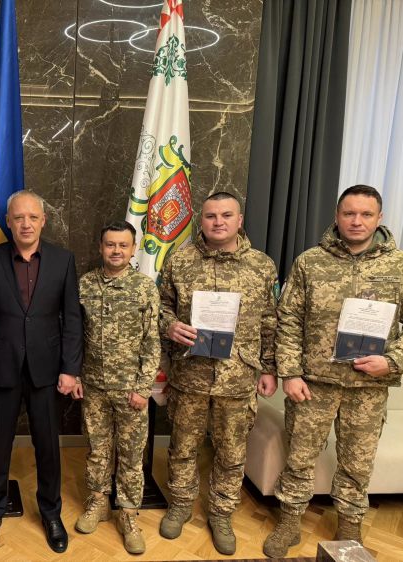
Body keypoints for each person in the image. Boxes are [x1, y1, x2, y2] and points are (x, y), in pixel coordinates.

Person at [263, 185, 403, 558]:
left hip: (368, 385)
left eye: (365, 214)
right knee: (299, 456)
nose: (356, 221)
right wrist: (291, 373)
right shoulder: (310, 262)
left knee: (357, 463)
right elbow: (288, 319)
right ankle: (289, 521)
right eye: (349, 213)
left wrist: (392, 361)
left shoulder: (401, 266)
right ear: (337, 216)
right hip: (314, 383)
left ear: (379, 218)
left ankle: (349, 526)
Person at [159, 191, 278, 556]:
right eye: (211, 216)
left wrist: (269, 368)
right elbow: (160, 307)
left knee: (231, 452)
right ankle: (181, 503)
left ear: (239, 220)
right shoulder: (180, 261)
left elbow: (271, 321)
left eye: (227, 215)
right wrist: (169, 325)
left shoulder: (262, 266)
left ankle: (221, 513)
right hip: (190, 373)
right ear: (202, 220)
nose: (218, 222)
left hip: (237, 377)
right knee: (183, 446)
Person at [0, 190, 83, 554]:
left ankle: (51, 513)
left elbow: (72, 320)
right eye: (19, 218)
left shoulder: (63, 260)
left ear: (43, 221)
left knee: (48, 446)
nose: (26, 224)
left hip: (47, 371)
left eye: (33, 217)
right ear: (9, 222)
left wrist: (70, 369)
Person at [71, 220, 160, 555]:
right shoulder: (85, 285)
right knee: (97, 448)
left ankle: (128, 512)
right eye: (110, 244)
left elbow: (152, 341)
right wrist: (76, 375)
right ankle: (98, 501)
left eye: (123, 245)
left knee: (132, 453)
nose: (116, 251)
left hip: (130, 389)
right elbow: (74, 335)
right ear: (100, 247)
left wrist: (144, 387)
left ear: (133, 249)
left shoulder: (144, 288)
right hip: (93, 386)